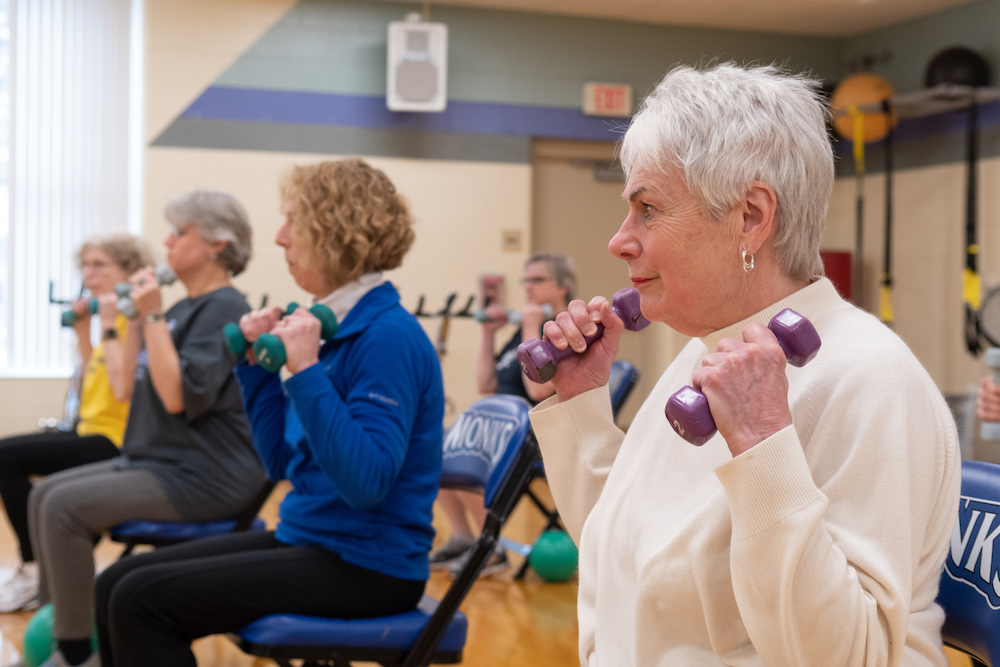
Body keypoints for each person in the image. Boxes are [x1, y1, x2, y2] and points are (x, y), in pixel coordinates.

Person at [528, 63, 962, 665]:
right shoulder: (706, 355)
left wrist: (763, 446)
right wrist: (581, 405)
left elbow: (849, 657)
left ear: (751, 217)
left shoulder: (870, 378)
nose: (620, 239)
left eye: (648, 208)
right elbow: (629, 563)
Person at [93, 158, 445, 667]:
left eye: (293, 221)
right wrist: (254, 371)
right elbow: (280, 463)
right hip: (310, 537)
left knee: (141, 601)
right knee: (114, 583)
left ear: (335, 230)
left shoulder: (387, 336)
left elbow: (366, 484)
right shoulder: (328, 325)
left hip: (370, 566)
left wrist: (304, 372)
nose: (280, 238)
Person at [12, 190, 264, 667]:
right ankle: (61, 625)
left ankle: (73, 654)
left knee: (64, 505)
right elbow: (123, 385)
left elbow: (175, 396)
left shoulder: (224, 308)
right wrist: (124, 319)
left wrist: (149, 315)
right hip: (158, 462)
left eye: (179, 232)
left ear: (217, 243)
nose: (166, 242)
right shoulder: (182, 309)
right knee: (45, 497)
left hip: (206, 478)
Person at [0, 234, 153, 613]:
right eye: (85, 265)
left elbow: (121, 390)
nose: (89, 273)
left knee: (5, 457)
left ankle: (36, 571)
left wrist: (104, 322)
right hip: (88, 428)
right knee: (8, 455)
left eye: (99, 264)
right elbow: (91, 382)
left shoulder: (132, 319)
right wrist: (82, 333)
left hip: (118, 439)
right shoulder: (106, 319)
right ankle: (41, 568)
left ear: (129, 270)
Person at [429, 253, 576, 576]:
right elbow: (486, 384)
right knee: (434, 446)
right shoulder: (522, 331)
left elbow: (538, 389)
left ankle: (491, 547)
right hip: (505, 430)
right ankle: (464, 536)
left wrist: (528, 325)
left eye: (538, 280)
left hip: (541, 434)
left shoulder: (564, 329)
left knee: (471, 451)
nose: (528, 287)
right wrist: (487, 334)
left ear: (563, 286)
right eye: (525, 280)